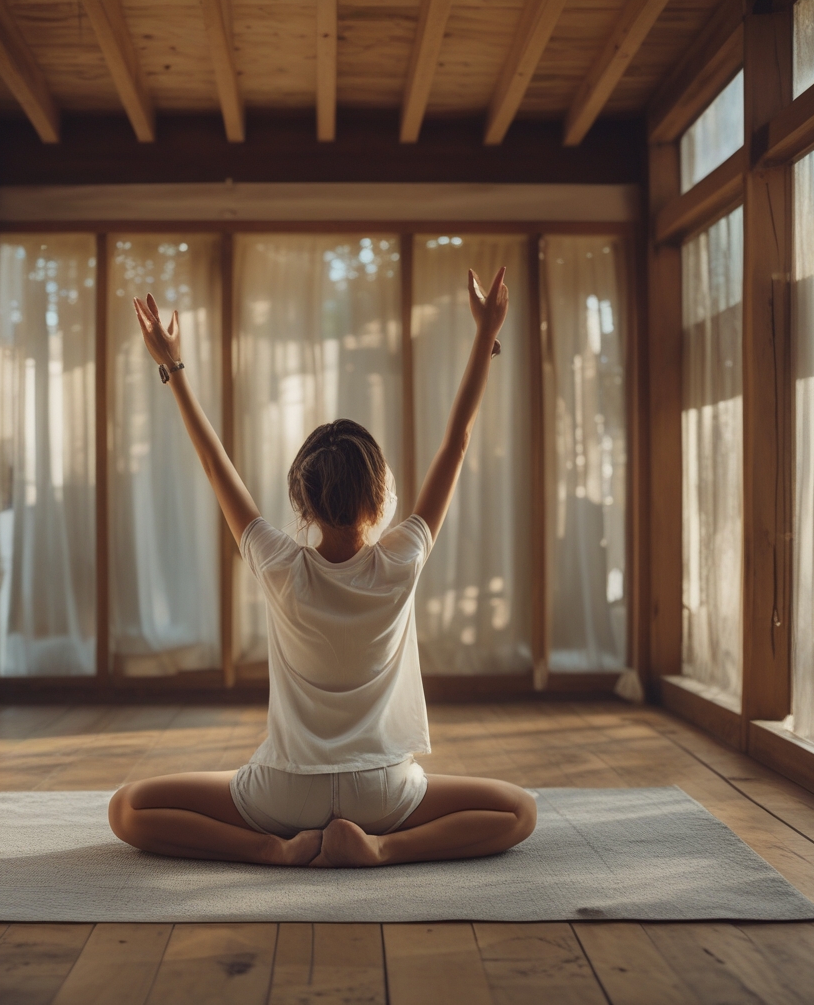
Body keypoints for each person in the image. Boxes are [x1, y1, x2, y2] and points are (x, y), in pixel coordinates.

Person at [108, 265, 537, 867]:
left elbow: (212, 461)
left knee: (127, 808)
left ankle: (272, 851)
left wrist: (172, 364)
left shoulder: (278, 563)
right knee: (520, 810)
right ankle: (383, 849)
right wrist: (484, 333)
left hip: (285, 789)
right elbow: (457, 440)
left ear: (301, 502)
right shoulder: (401, 559)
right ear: (380, 494)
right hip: (383, 788)